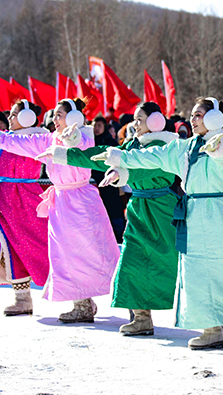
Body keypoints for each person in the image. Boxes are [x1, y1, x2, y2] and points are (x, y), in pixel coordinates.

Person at [93, 97, 223, 350]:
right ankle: (211, 329)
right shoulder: (185, 147)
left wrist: (218, 151)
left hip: (220, 212)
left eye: (199, 115)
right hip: (194, 211)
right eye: (193, 114)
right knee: (196, 273)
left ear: (214, 118)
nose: (193, 119)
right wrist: (119, 157)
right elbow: (153, 155)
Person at [45, 102, 180, 336]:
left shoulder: (164, 146)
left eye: (140, 119)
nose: (135, 124)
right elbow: (103, 155)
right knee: (130, 261)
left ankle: (215, 319)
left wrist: (122, 172)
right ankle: (141, 317)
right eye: (135, 119)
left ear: (156, 120)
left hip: (162, 209)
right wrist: (64, 154)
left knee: (170, 265)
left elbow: (145, 167)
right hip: (138, 207)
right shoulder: (133, 143)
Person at [0, 98, 119, 323]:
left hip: (81, 199)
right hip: (61, 200)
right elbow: (17, 143)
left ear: (73, 118)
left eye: (60, 115)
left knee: (92, 251)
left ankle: (128, 297)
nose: (54, 119)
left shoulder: (83, 136)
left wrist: (71, 138)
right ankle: (82, 303)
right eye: (54, 115)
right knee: (66, 253)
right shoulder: (49, 138)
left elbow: (77, 146)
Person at [0, 101, 49, 315]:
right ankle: (22, 298)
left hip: (26, 199)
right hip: (6, 199)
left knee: (43, 245)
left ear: (27, 117)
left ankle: (80, 296)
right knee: (12, 248)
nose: (9, 118)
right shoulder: (8, 139)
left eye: (13, 114)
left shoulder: (37, 139)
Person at [92, 115, 126, 242]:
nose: (96, 128)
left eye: (99, 125)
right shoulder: (90, 143)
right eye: (94, 125)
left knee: (114, 214)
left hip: (111, 184)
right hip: (95, 184)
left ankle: (118, 238)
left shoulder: (111, 143)